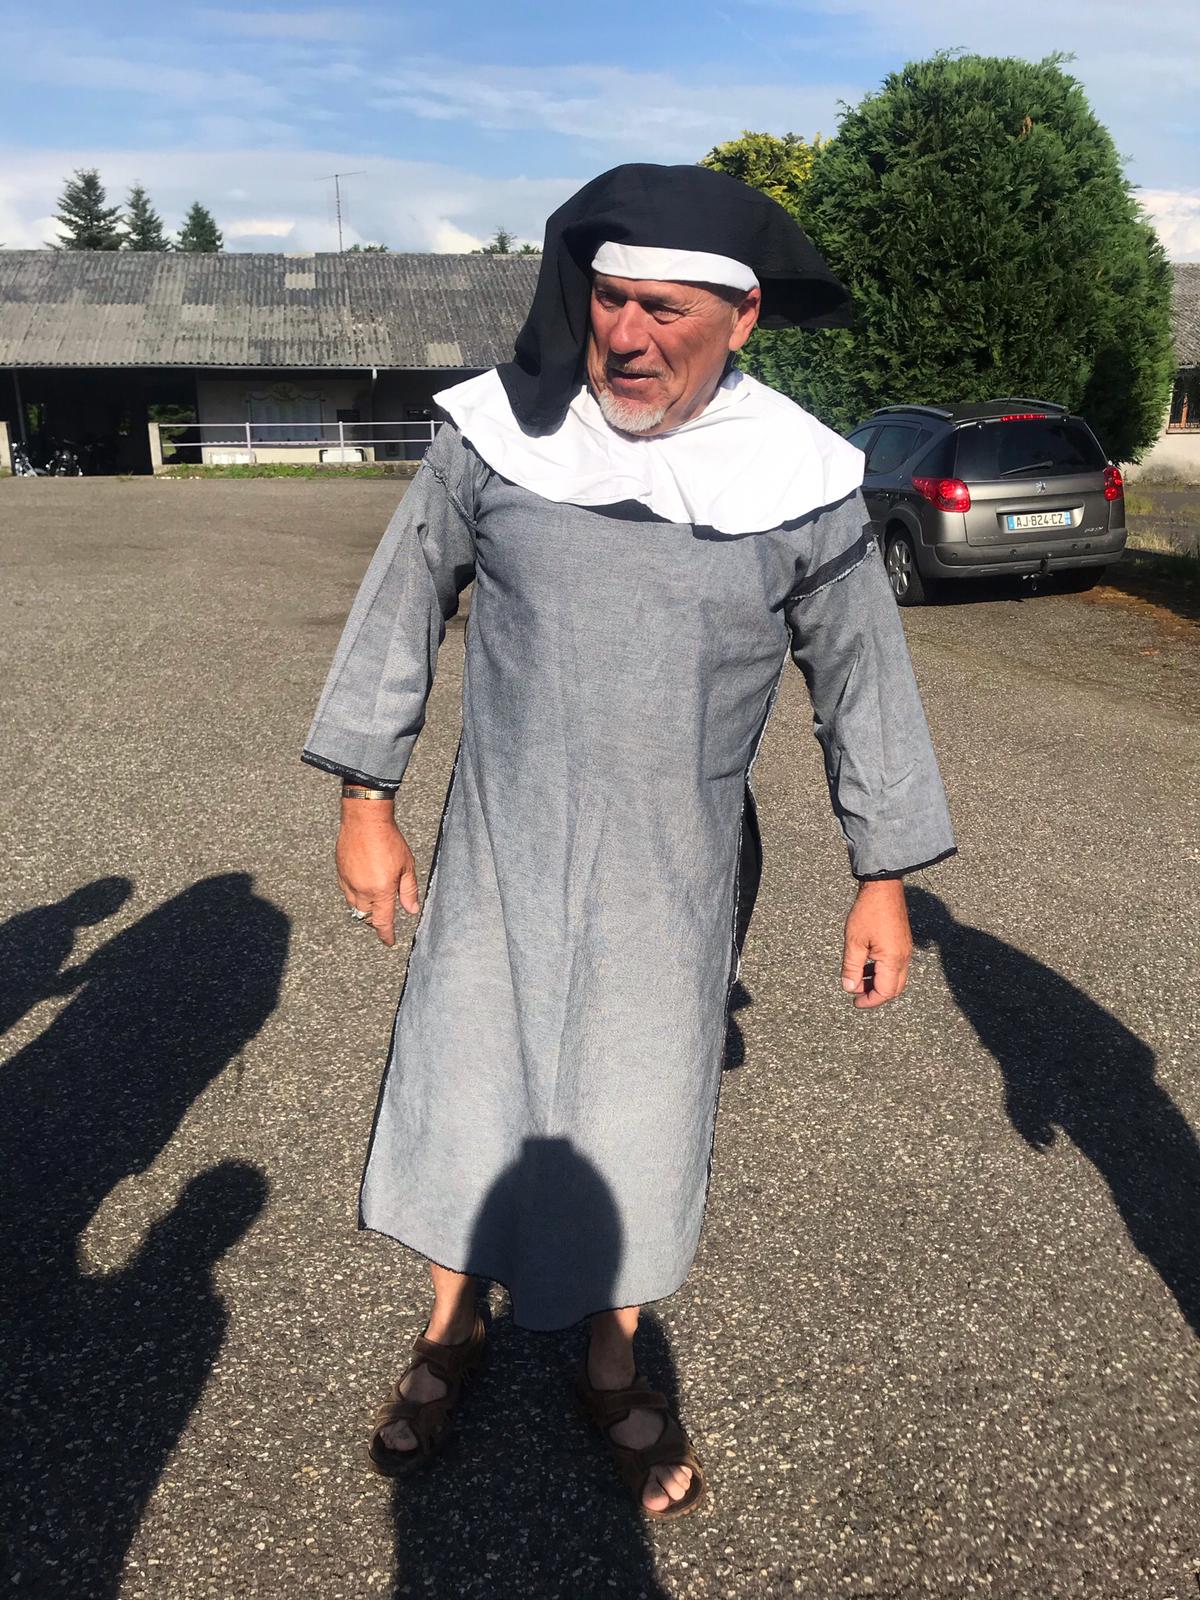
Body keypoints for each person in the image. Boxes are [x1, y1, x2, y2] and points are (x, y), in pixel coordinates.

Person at [303, 162, 955, 1518]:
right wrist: (366, 799)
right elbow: (402, 602)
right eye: (609, 302)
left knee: (641, 1109)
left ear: (742, 317)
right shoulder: (498, 437)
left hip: (678, 865)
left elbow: (862, 686)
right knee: (470, 1079)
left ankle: (611, 1361)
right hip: (502, 841)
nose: (626, 336)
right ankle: (451, 1331)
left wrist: (880, 876)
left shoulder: (799, 479)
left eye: (665, 310)